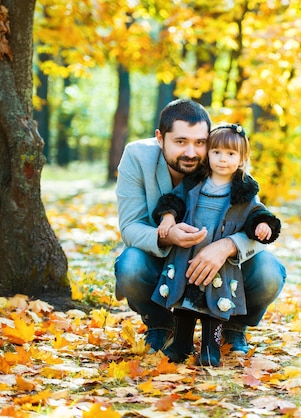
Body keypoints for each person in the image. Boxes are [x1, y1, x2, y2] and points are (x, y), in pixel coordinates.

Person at [114, 99, 286, 358]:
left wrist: (227, 246)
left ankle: (233, 326)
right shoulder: (137, 157)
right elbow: (130, 226)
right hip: (168, 260)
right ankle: (161, 323)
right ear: (160, 138)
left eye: (200, 142)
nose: (192, 153)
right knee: (130, 265)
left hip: (223, 270)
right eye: (180, 142)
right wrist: (167, 235)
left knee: (269, 273)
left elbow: (256, 222)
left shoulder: (226, 163)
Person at [151, 122, 281, 366]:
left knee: (215, 304)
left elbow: (256, 214)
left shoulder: (243, 190)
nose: (223, 160)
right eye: (217, 152)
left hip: (220, 263)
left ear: (242, 159)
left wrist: (262, 225)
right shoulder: (194, 182)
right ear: (207, 154)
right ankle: (181, 343)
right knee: (184, 301)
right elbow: (173, 200)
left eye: (231, 154)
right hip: (187, 254)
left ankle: (211, 347)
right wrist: (168, 215)